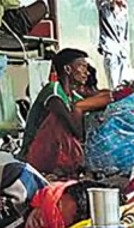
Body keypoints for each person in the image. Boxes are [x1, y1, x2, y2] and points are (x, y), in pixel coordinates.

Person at [19, 48, 96, 176]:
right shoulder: (53, 90)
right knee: (59, 120)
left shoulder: (76, 98)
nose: (86, 73)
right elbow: (75, 129)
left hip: (55, 157)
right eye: (82, 67)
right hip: (35, 156)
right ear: (67, 69)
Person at [97, 0, 131, 90]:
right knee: (115, 86)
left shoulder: (124, 11)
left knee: (125, 85)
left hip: (123, 53)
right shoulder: (105, 8)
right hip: (111, 52)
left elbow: (125, 35)